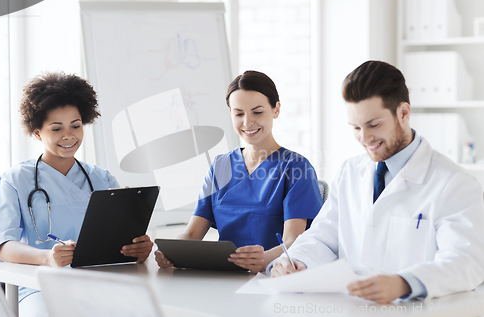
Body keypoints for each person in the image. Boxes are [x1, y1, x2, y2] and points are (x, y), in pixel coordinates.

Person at [269, 61, 484, 303]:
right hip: (351, 307)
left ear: (403, 113)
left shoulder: (454, 183)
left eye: (374, 125)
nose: (364, 138)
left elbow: (466, 261)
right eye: (356, 127)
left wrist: (404, 282)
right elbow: (322, 239)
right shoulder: (349, 172)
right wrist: (295, 261)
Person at [0, 72, 153, 316]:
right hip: (40, 285)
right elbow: (1, 247)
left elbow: (122, 238)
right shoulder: (15, 180)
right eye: (56, 128)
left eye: (75, 125)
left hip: (103, 283)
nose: (69, 135)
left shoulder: (102, 179)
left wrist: (139, 248)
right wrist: (47, 258)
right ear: (37, 132)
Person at [155, 70, 323, 273]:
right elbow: (192, 234)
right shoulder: (220, 166)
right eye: (239, 113)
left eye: (257, 112)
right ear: (230, 114)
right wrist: (170, 253)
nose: (247, 122)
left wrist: (264, 261)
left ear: (276, 109)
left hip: (272, 275)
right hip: (223, 277)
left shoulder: (296, 168)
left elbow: (294, 240)